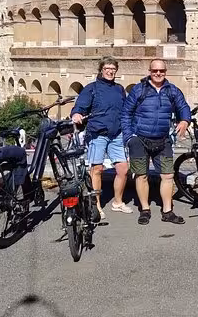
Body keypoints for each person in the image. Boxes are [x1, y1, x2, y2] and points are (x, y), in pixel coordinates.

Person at [121, 59, 191, 225]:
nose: (158, 74)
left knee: (168, 175)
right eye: (155, 71)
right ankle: (145, 209)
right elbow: (125, 114)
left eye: (161, 71)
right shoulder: (139, 90)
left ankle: (167, 211)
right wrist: (129, 137)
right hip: (139, 139)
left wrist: (185, 120)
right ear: (150, 71)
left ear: (165, 72)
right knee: (141, 175)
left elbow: (183, 107)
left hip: (163, 139)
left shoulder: (172, 91)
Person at [71, 56, 132, 219]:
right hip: (97, 133)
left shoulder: (119, 89)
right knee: (97, 169)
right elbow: (80, 106)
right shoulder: (92, 88)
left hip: (116, 133)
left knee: (123, 169)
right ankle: (96, 205)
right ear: (101, 70)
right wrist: (77, 113)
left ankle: (118, 202)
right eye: (107, 69)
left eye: (113, 69)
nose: (110, 71)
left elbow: (126, 110)